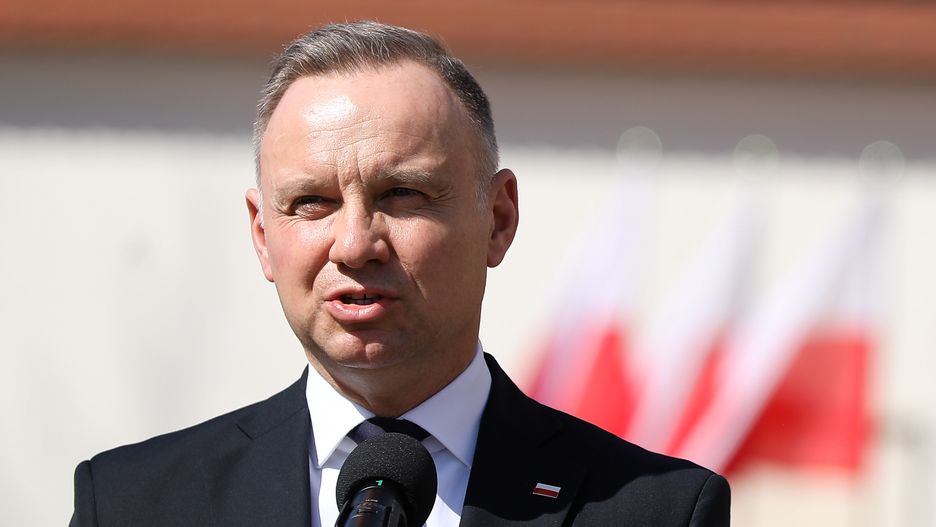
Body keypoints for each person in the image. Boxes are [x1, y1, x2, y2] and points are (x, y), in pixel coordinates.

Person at [70, 21, 730, 527]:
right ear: (262, 235)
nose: (355, 244)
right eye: (312, 202)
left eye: (403, 194)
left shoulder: (657, 510)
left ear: (498, 219)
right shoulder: (132, 503)